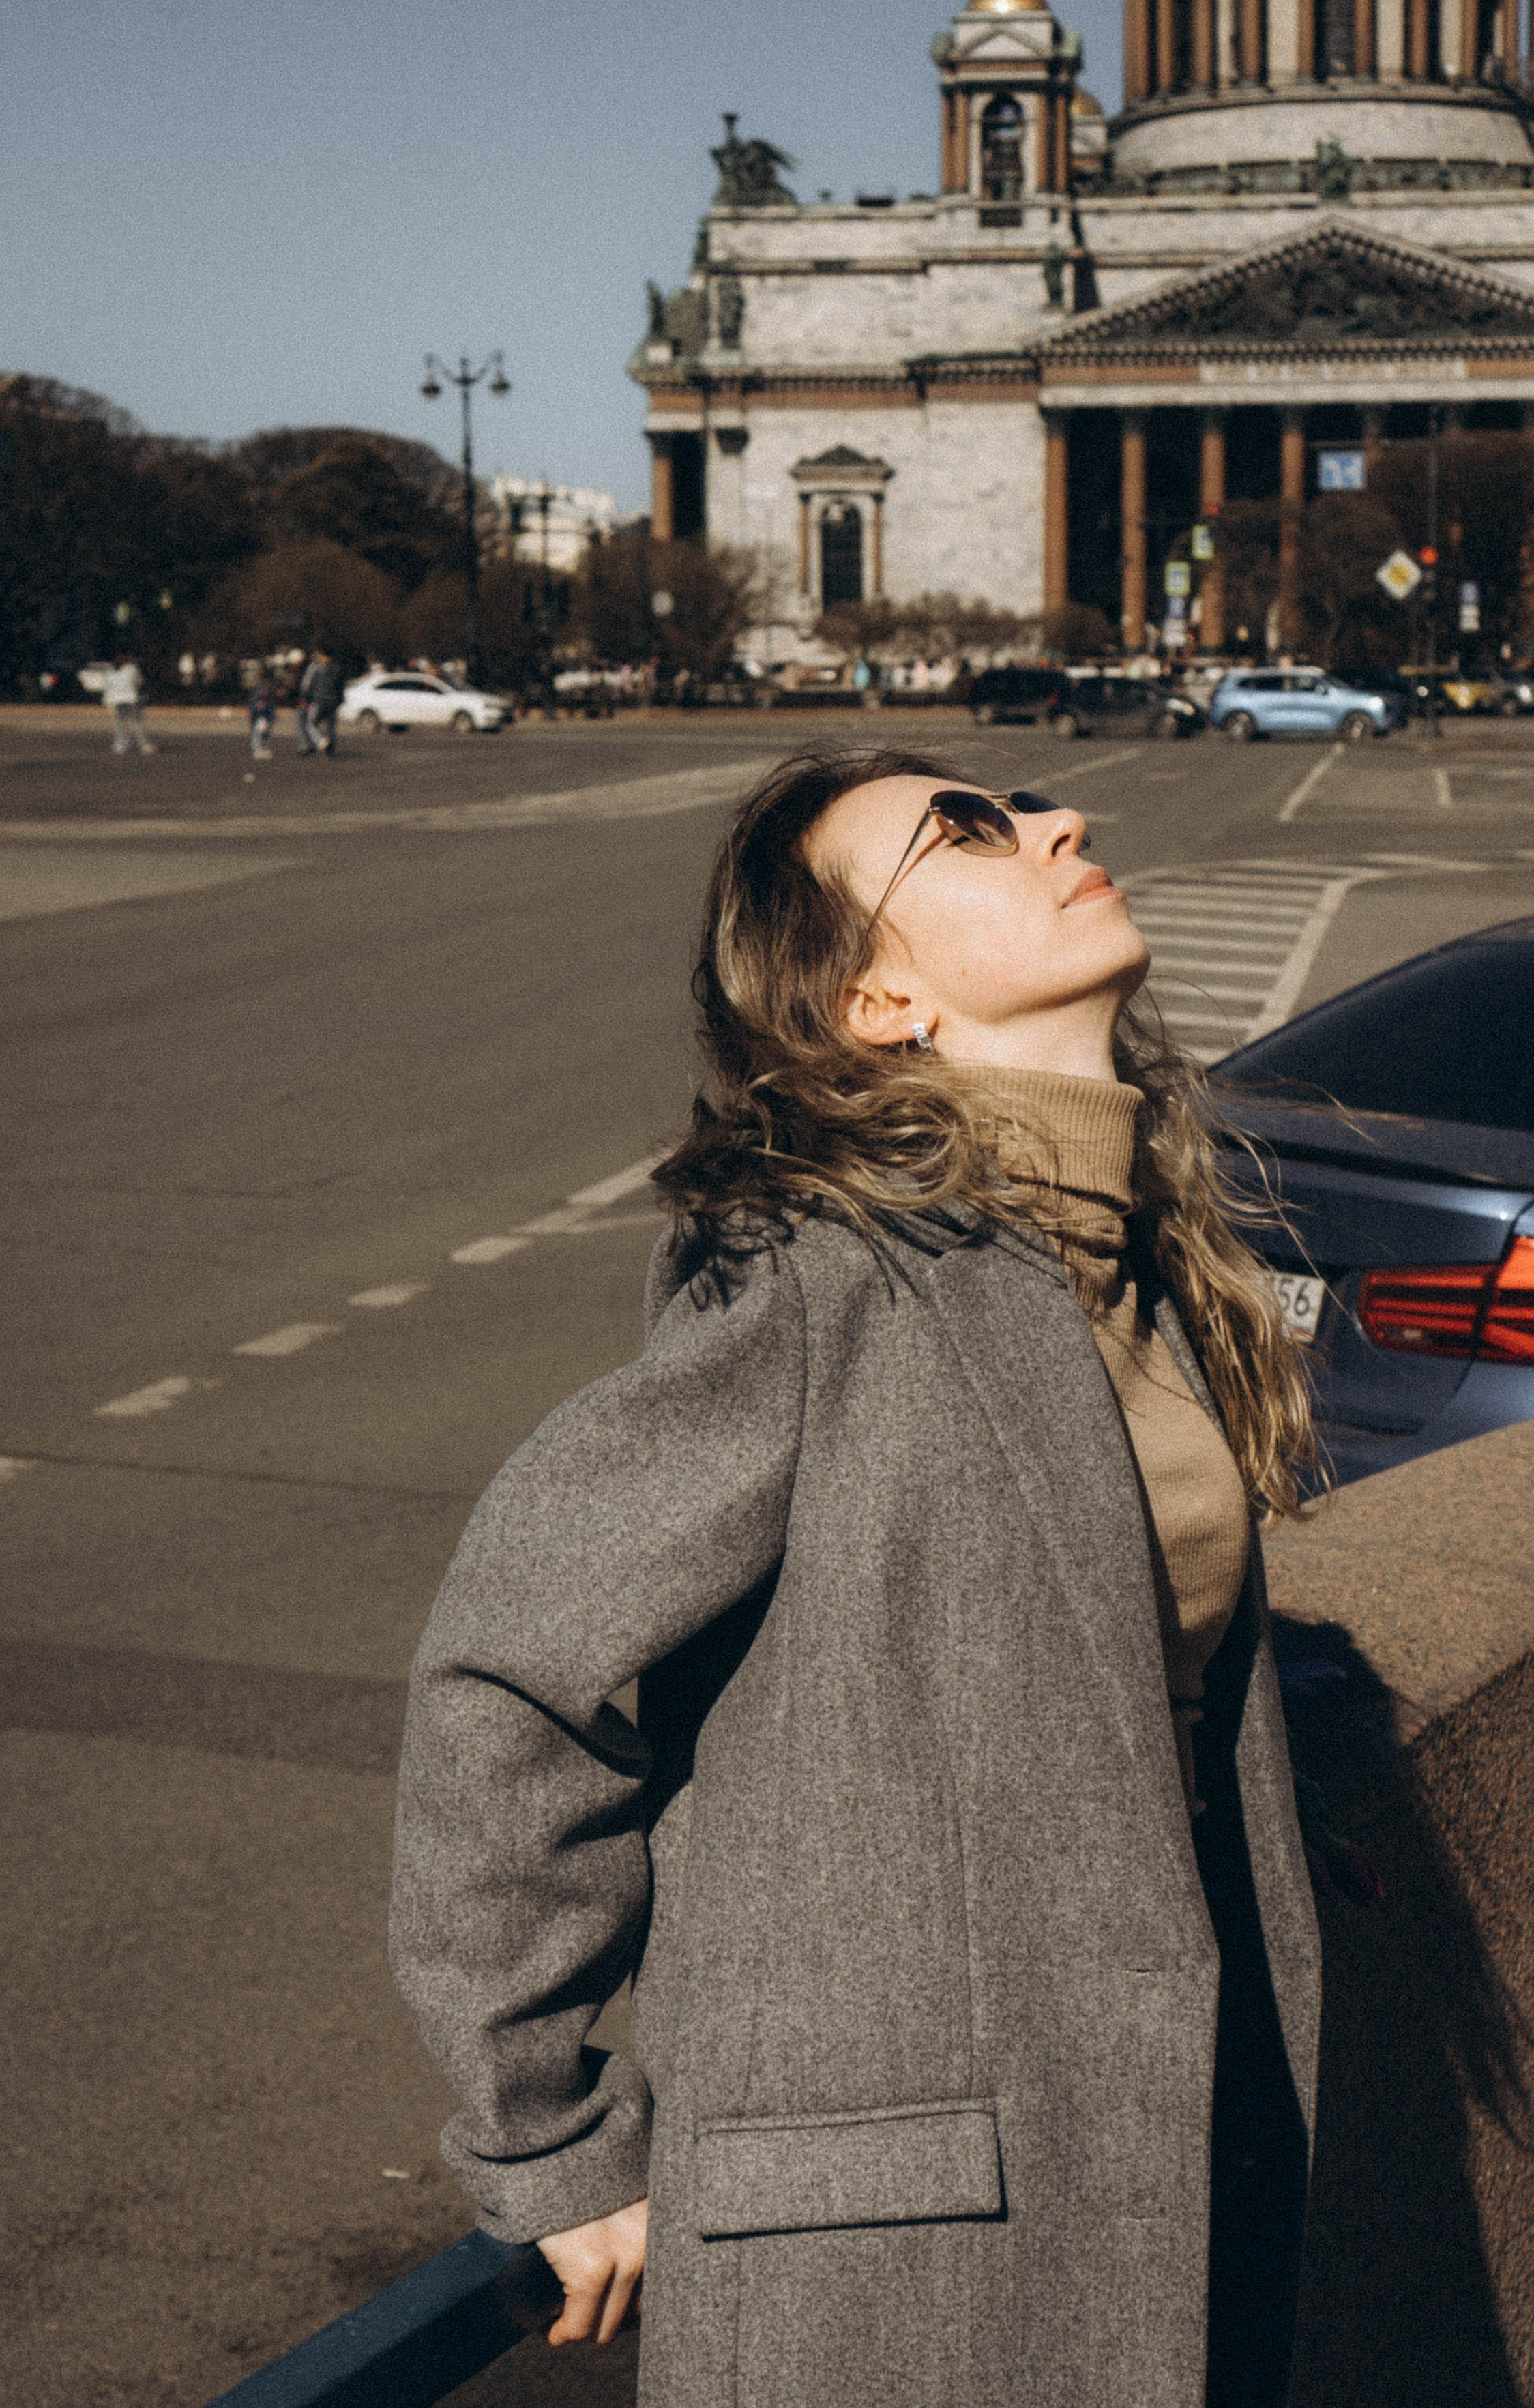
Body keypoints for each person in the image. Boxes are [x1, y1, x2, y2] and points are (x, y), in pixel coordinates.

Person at [391, 749, 1323, 2408]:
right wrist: (549, 2136)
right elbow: (514, 1677)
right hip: (893, 2233)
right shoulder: (819, 1279)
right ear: (877, 995)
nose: (1061, 825)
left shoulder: (1125, 1262)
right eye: (967, 829)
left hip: (1146, 2148)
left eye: (1024, 803)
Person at [103, 654, 155, 756]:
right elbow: (139, 682)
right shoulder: (132, 670)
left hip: (116, 700)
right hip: (131, 699)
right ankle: (144, 745)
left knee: (120, 723)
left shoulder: (110, 671)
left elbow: (107, 686)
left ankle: (120, 745)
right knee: (137, 722)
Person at [297, 649, 342, 755]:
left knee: (310, 724)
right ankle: (330, 749)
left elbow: (306, 685)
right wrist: (339, 701)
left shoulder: (315, 668)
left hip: (318, 701)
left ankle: (321, 742)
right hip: (333, 702)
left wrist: (304, 699)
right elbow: (340, 687)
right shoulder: (336, 669)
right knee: (330, 726)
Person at [245, 665, 276, 762]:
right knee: (258, 733)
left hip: (263, 717)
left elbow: (268, 708)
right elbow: (256, 707)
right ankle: (258, 749)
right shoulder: (258, 693)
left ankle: (262, 749)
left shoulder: (263, 693)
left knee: (264, 734)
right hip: (260, 717)